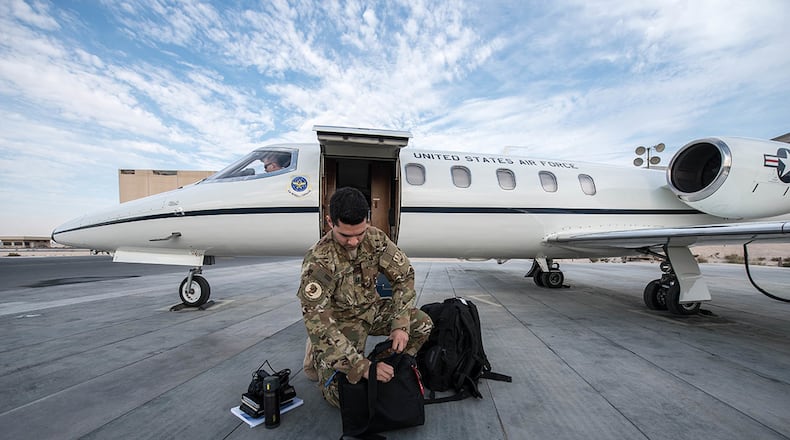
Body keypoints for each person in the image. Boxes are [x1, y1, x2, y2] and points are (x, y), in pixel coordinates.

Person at [297, 187, 433, 407]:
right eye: (345, 236)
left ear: (367, 221)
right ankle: (319, 354)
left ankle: (387, 366)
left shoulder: (375, 239)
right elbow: (318, 323)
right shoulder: (318, 261)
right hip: (339, 324)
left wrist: (400, 324)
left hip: (372, 311)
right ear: (330, 222)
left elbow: (404, 276)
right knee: (340, 396)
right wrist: (362, 367)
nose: (354, 242)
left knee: (422, 324)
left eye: (359, 234)